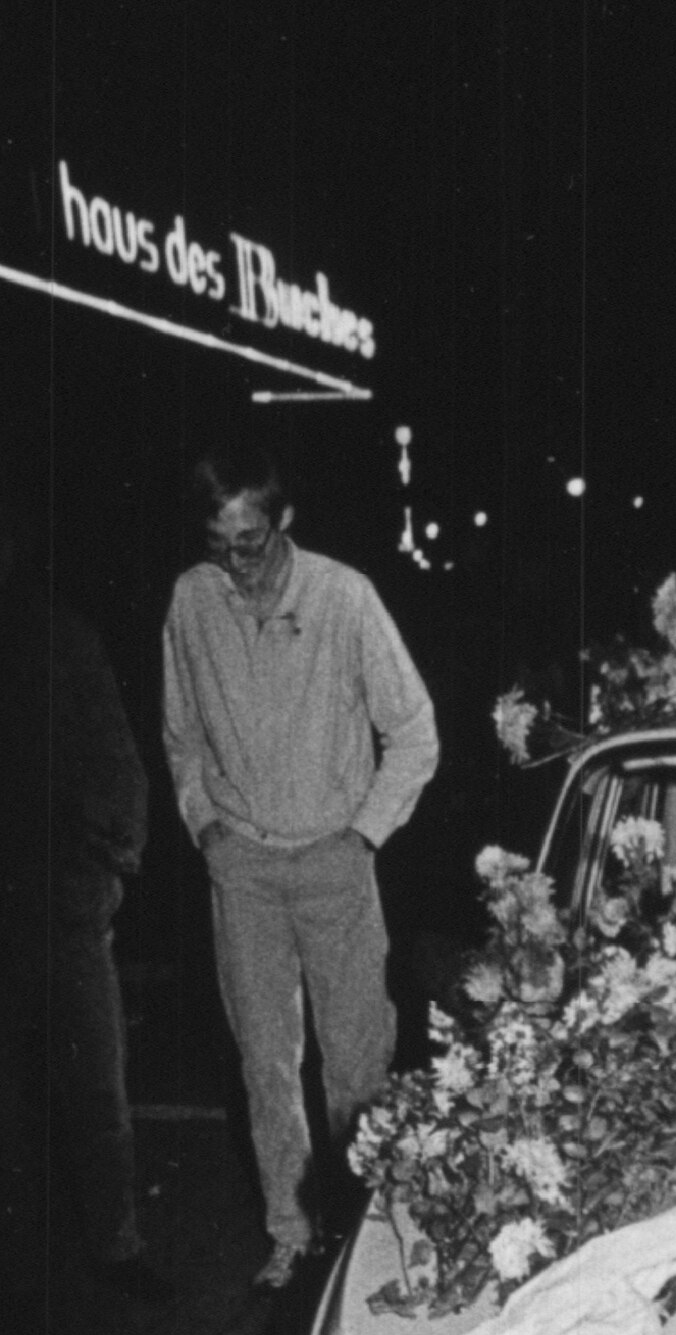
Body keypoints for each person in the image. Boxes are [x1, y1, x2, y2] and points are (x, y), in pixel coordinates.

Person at [162, 449, 439, 1289]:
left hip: (333, 855)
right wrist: (205, 824)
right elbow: (182, 736)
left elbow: (416, 730)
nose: (235, 562)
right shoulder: (191, 600)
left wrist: (362, 835)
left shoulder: (344, 597)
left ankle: (362, 1230)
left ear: (283, 522)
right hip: (241, 862)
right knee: (265, 1062)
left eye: (250, 541)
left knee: (357, 1060)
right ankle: (292, 1228)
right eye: (220, 543)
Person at [0, 488, 168, 1301]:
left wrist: (114, 859)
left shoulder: (59, 638)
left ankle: (117, 1245)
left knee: (97, 1083)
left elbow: (113, 755)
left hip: (60, 896)